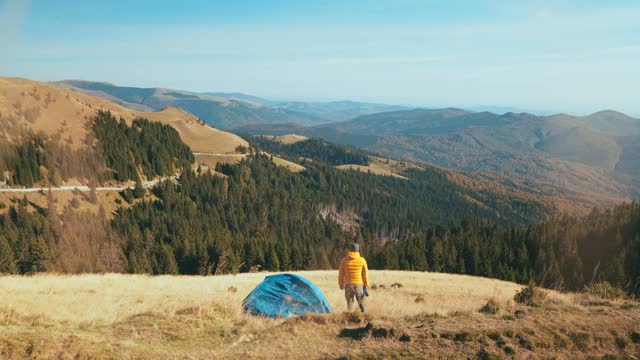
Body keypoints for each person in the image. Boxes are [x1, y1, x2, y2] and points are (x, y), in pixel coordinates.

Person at [338, 243, 369, 312]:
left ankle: (350, 319)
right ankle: (365, 317)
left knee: (350, 304)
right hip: (359, 284)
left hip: (348, 285)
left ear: (350, 250)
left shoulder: (344, 260)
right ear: (358, 250)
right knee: (362, 303)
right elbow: (365, 274)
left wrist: (341, 284)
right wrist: (366, 285)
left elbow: (341, 274)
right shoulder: (362, 260)